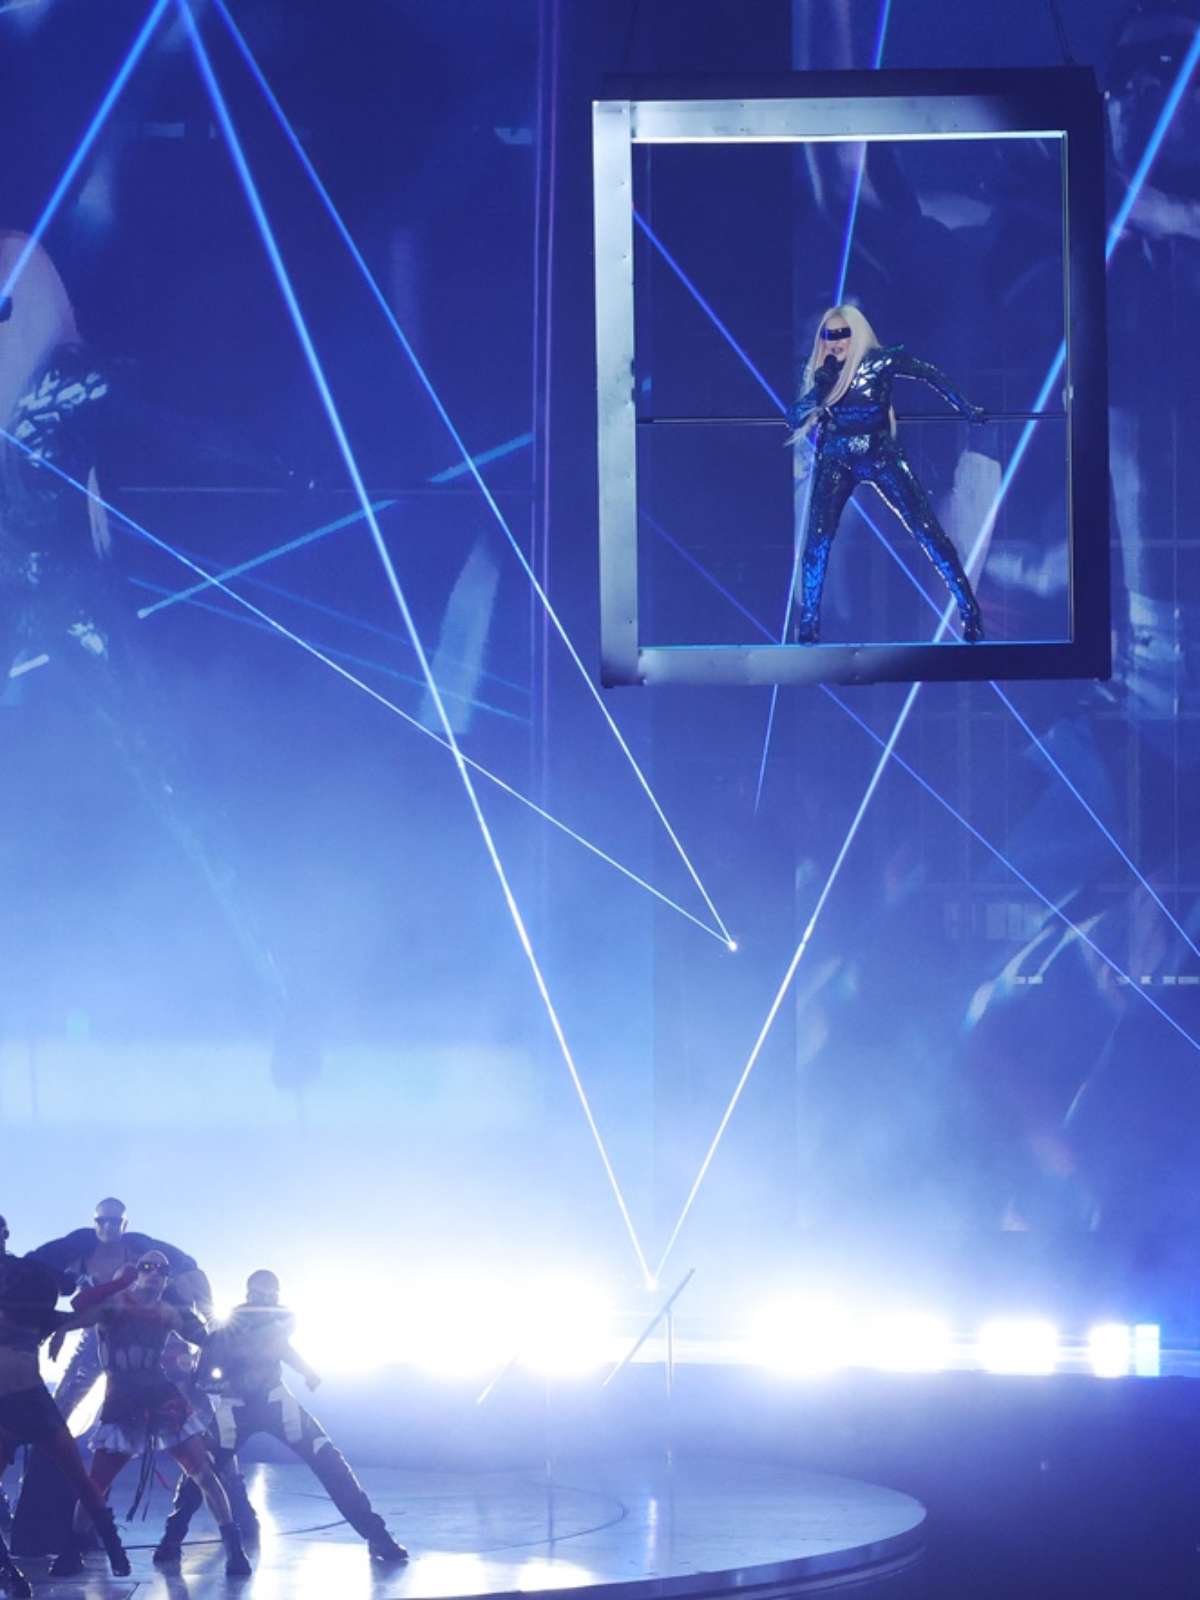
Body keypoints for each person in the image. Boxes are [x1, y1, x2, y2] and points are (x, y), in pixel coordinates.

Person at [154, 1269, 407, 1566]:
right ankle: (172, 1539)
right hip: (236, 1407)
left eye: (271, 1293)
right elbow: (207, 1370)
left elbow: (282, 1348)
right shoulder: (229, 1330)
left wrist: (307, 1371)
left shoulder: (276, 1322)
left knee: (328, 1459)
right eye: (261, 1293)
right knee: (201, 1471)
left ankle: (376, 1535)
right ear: (250, 1295)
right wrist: (217, 1383)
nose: (266, 1298)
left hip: (275, 1401)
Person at [786, 304, 986, 644]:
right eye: (829, 335)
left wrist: (965, 407)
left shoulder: (881, 360)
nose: (835, 343)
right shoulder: (821, 370)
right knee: (817, 541)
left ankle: (969, 609)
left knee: (928, 532)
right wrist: (820, 388)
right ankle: (809, 622)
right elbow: (794, 417)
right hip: (837, 458)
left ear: (857, 334)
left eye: (842, 335)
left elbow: (929, 374)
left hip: (880, 454)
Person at [49, 1251, 251, 1579]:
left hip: (162, 1398)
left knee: (204, 1474)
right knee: (95, 1485)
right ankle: (72, 1550)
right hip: (122, 1401)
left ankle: (234, 1548)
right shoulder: (115, 1304)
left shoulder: (169, 1312)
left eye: (161, 1270)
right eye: (147, 1267)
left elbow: (210, 1341)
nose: (154, 1274)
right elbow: (79, 1307)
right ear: (137, 1272)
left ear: (167, 1278)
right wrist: (62, 1330)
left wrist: (231, 1357)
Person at [0, 1216, 129, 1597]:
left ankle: (111, 1542)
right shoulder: (29, 1283)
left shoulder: (29, 1281)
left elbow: (85, 1311)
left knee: (75, 1468)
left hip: (31, 1398)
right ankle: (8, 1571)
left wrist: (118, 1287)